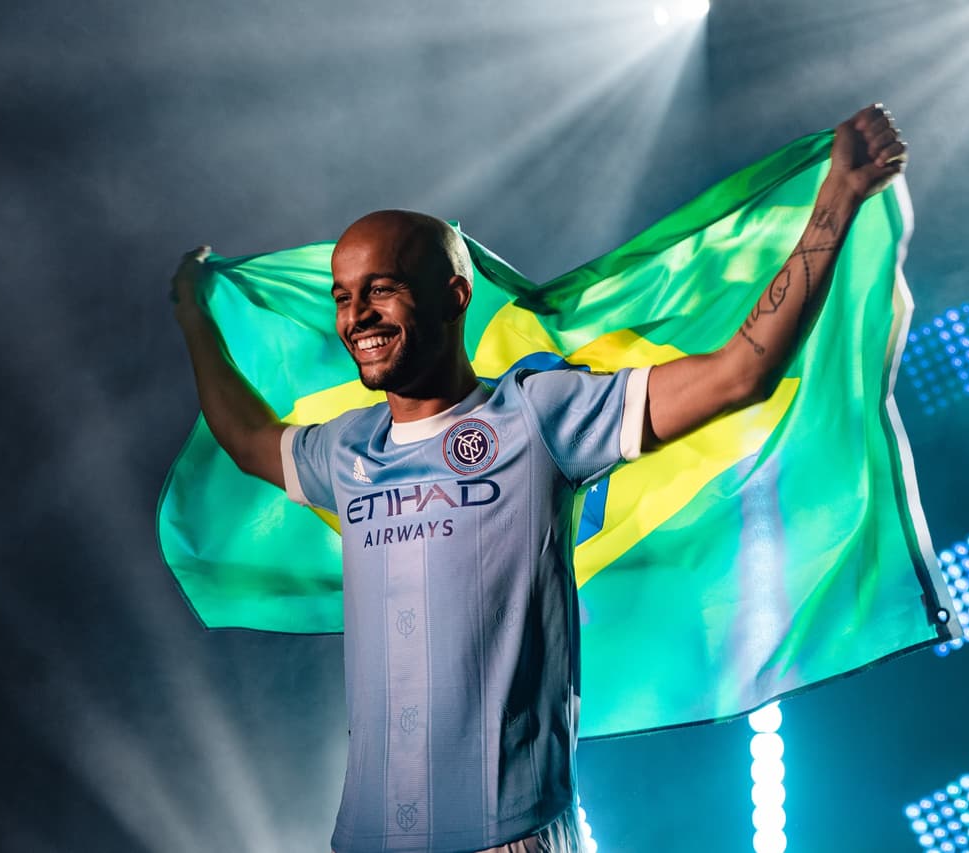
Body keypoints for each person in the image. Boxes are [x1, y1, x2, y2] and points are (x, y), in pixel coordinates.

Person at [170, 104, 905, 853]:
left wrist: (838, 200)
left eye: (381, 288)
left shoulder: (538, 414)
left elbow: (738, 374)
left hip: (510, 836)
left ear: (454, 295)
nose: (357, 314)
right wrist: (193, 311)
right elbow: (247, 437)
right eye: (343, 294)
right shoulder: (347, 450)